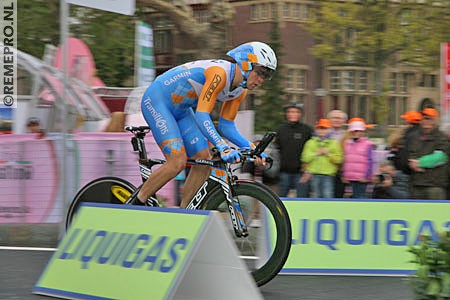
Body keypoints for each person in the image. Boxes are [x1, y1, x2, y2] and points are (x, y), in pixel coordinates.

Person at [129, 41, 275, 207]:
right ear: (246, 65)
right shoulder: (219, 74)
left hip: (182, 109)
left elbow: (226, 126)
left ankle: (184, 214)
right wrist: (222, 146)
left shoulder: (240, 91)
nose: (262, 80)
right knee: (177, 162)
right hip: (158, 100)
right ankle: (135, 205)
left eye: (267, 76)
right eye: (260, 73)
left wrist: (253, 149)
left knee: (204, 160)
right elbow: (202, 115)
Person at [407, 108, 449, 200]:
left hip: (435, 185)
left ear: (435, 120)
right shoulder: (415, 137)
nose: (426, 121)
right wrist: (411, 163)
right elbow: (410, 155)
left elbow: (441, 157)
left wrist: (419, 163)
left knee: (436, 213)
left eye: (429, 118)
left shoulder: (442, 137)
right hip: (417, 184)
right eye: (424, 118)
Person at [275, 102, 313, 198]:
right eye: (290, 112)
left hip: (301, 172)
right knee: (281, 199)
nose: (293, 114)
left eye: (296, 112)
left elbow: (312, 150)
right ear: (286, 114)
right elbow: (276, 149)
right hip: (284, 171)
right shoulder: (281, 129)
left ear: (300, 114)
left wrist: (308, 170)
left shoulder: (307, 130)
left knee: (302, 198)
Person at [301, 118, 343, 198]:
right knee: (316, 195)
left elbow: (339, 159)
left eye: (325, 129)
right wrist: (316, 153)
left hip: (328, 175)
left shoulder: (334, 143)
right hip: (314, 174)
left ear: (329, 130)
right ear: (316, 129)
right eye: (320, 128)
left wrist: (328, 154)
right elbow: (305, 158)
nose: (322, 131)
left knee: (328, 195)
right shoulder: (310, 142)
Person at [342, 118, 374, 198]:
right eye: (354, 131)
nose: (356, 133)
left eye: (358, 131)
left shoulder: (367, 144)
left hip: (362, 178)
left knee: (360, 197)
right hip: (350, 177)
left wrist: (367, 176)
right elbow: (345, 160)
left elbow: (370, 161)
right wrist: (344, 174)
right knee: (353, 197)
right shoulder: (347, 144)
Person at [326, 109, 348, 198]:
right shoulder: (322, 133)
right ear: (329, 120)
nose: (337, 120)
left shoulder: (347, 135)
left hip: (340, 170)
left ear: (344, 121)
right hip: (326, 170)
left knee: (338, 195)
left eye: (339, 118)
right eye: (334, 118)